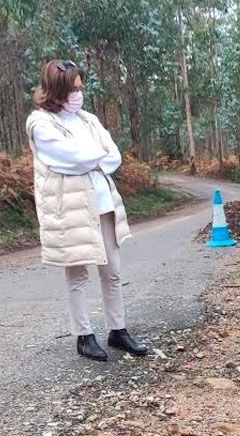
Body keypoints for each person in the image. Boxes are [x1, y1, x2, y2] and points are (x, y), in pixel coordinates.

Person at [25, 59, 149, 361]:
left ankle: (117, 330)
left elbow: (113, 157)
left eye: (81, 87)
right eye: (73, 89)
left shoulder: (88, 120)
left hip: (103, 205)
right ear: (56, 90)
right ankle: (84, 335)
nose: (79, 94)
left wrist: (90, 159)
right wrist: (94, 157)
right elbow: (64, 158)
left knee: (113, 272)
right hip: (70, 211)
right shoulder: (41, 123)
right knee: (78, 274)